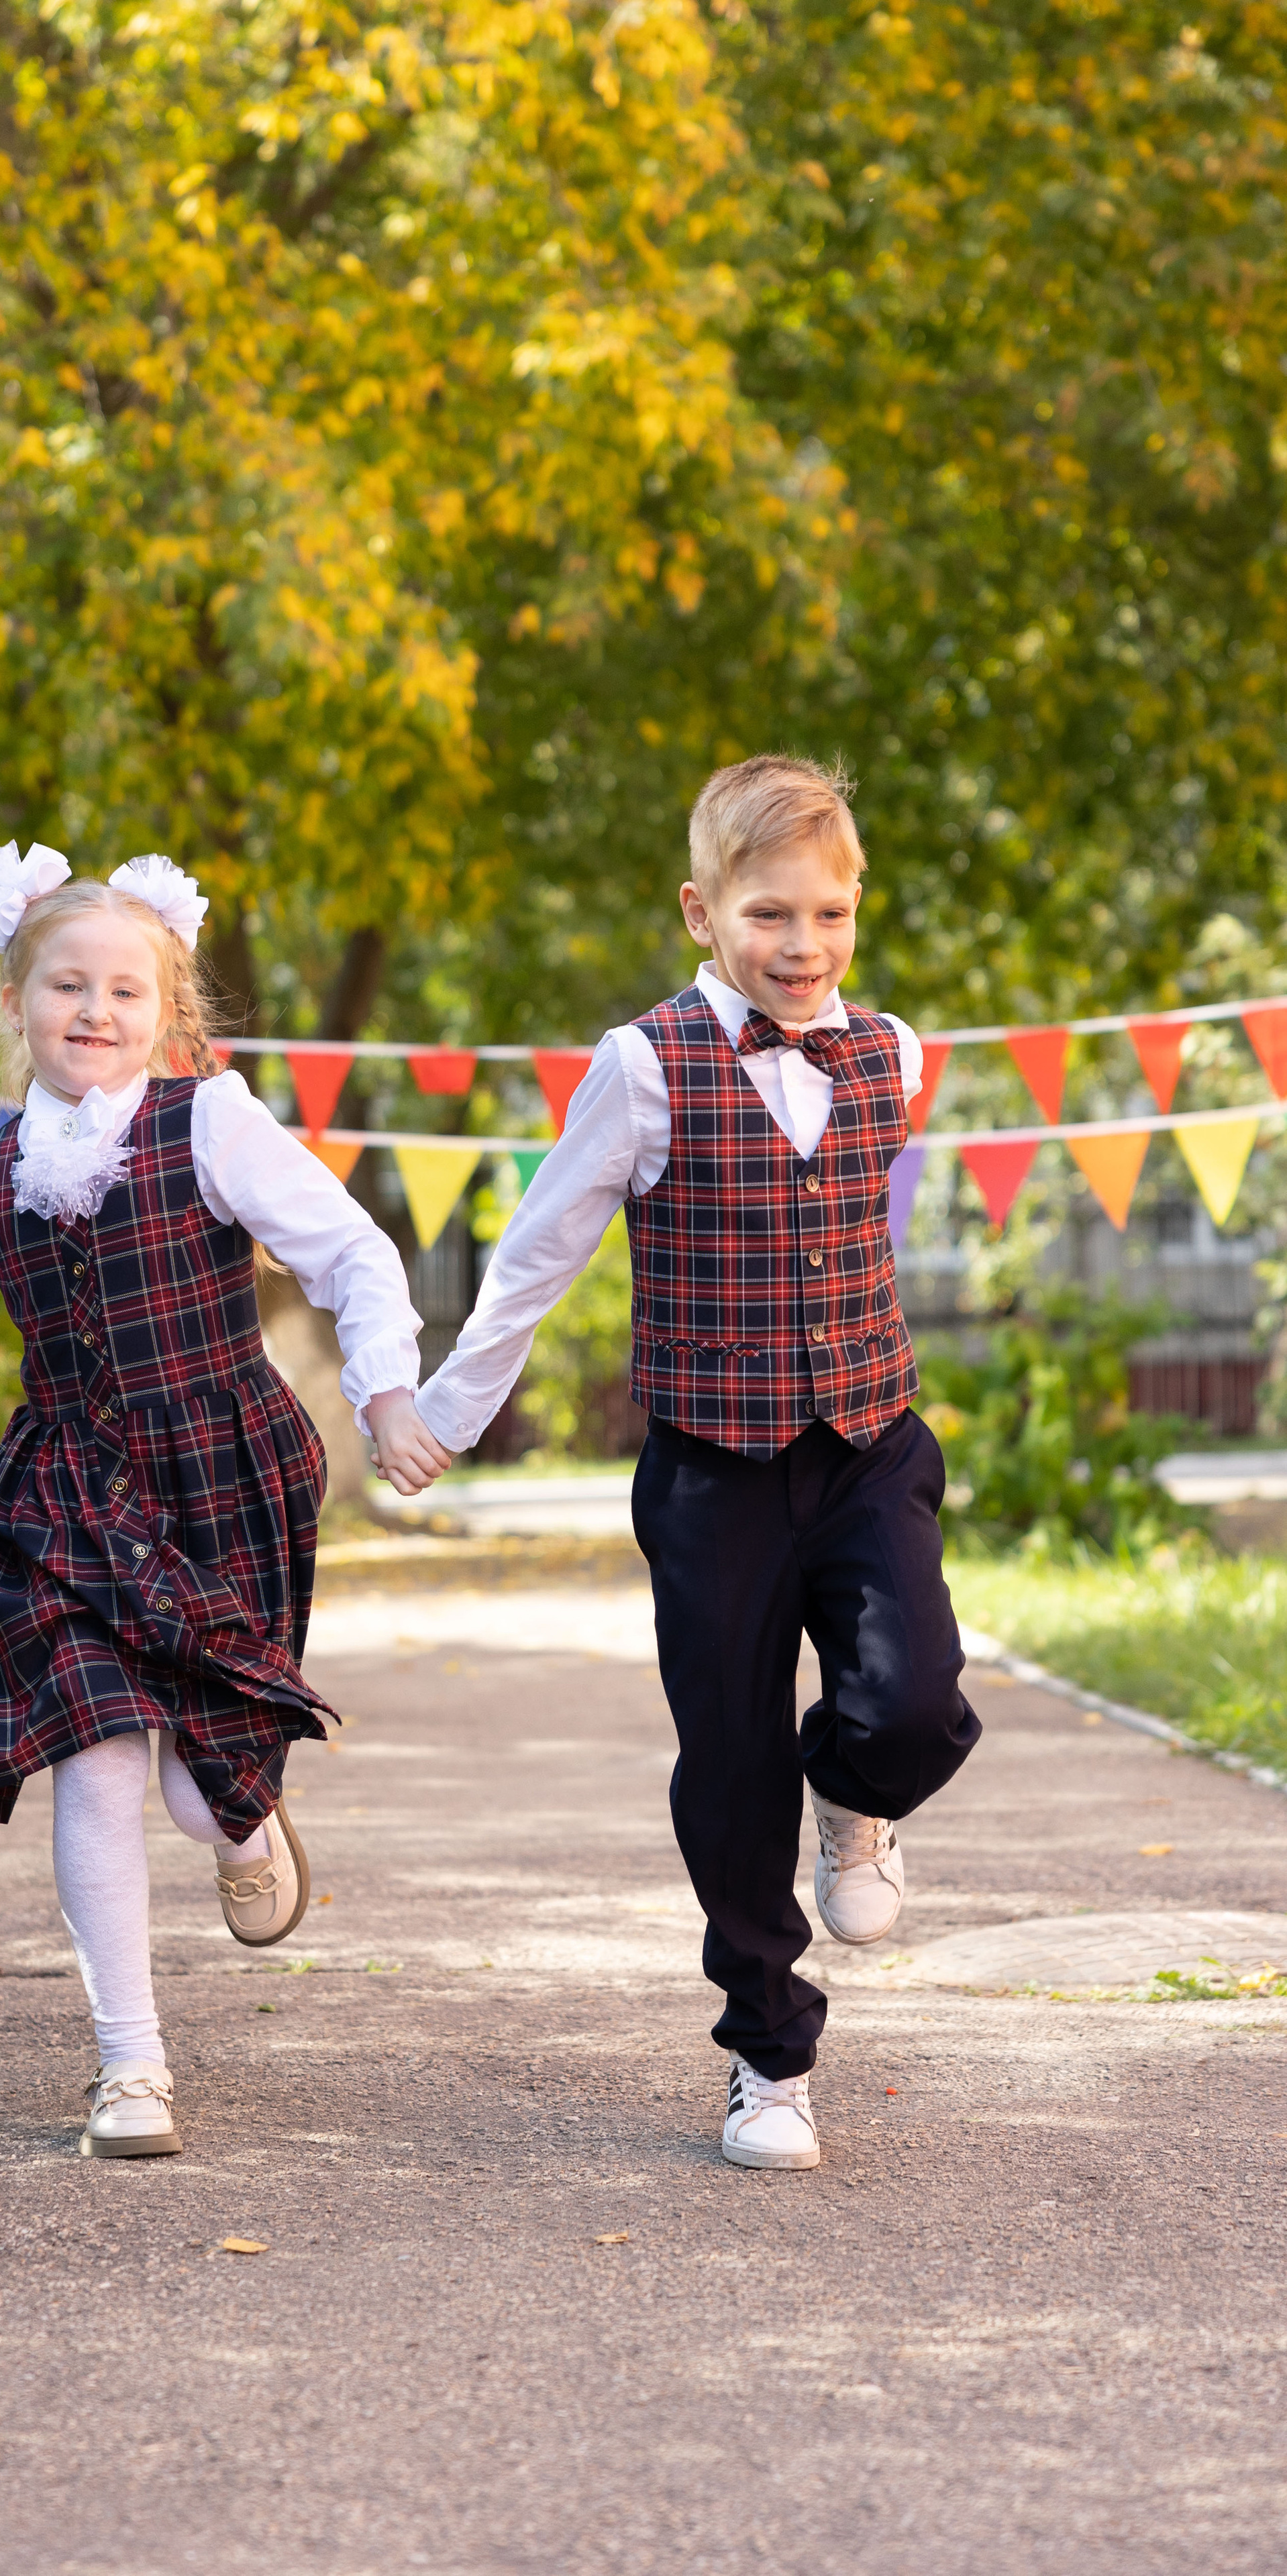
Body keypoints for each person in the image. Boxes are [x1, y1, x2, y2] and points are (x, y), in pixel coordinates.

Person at [0, 842, 448, 2159]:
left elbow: (349, 1249)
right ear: (14, 1005)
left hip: (221, 1474)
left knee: (189, 1784)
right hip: (63, 1497)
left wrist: (389, 1394)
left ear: (164, 1013)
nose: (94, 1011)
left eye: (124, 990)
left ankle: (236, 1815)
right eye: (66, 987)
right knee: (94, 1767)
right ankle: (130, 2068)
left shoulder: (209, 1121)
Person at [415, 756, 980, 2171]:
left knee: (909, 1701)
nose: (803, 948)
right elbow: (539, 1249)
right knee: (726, 1769)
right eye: (769, 915)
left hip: (866, 1443)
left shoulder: (892, 1056)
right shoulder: (640, 1064)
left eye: (831, 915)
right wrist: (450, 1410)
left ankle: (853, 1802)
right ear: (698, 910)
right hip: (711, 1473)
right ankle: (767, 2059)